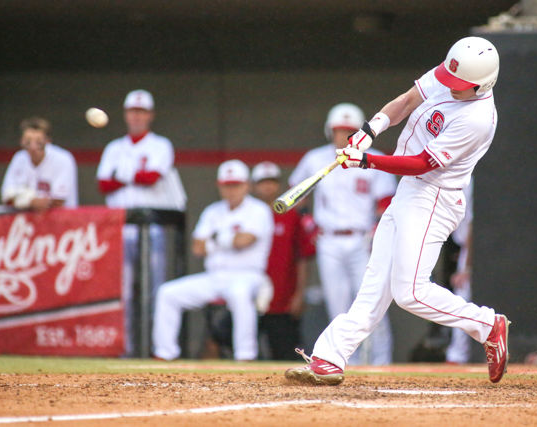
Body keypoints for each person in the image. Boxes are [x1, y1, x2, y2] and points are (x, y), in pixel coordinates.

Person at [285, 36, 510, 385]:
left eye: (459, 86)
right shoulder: (454, 71)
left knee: (411, 293)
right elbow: (407, 101)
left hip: (435, 197)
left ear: (483, 84)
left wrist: (367, 160)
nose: (449, 87)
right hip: (410, 193)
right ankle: (330, 357)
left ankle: (486, 324)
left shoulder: (477, 118)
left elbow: (422, 163)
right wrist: (369, 130)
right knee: (374, 287)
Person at [289, 103, 398, 365]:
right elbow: (297, 192)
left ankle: (381, 363)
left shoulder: (372, 157)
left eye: (350, 131)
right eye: (339, 130)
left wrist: (377, 229)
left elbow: (387, 201)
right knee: (337, 308)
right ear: (330, 131)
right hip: (328, 239)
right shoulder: (315, 159)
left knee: (371, 306)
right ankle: (349, 362)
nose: (344, 136)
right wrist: (307, 221)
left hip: (363, 240)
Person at [96, 89, 187, 356]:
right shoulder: (115, 147)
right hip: (120, 228)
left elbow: (153, 178)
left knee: (154, 291)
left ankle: (157, 349)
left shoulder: (161, 145)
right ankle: (124, 350)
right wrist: (135, 174)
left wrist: (123, 174)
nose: (136, 116)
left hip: (153, 228)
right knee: (122, 292)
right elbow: (103, 183)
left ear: (150, 115)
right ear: (126, 114)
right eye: (132, 111)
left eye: (141, 111)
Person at [153, 160, 273, 361]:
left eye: (236, 185)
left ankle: (245, 356)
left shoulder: (259, 210)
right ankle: (165, 353)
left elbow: (244, 240)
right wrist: (228, 239)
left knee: (239, 294)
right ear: (219, 186)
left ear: (246, 185)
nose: (231, 190)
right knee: (168, 293)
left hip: (248, 275)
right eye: (227, 185)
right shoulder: (213, 211)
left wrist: (216, 238)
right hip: (215, 276)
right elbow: (197, 248)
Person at [251, 161, 316, 360]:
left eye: (272, 181)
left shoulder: (292, 217)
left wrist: (299, 293)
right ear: (254, 186)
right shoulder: (246, 214)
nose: (267, 186)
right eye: (262, 181)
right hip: (249, 295)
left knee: (283, 354)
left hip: (283, 298)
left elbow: (302, 258)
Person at [1, 117, 78, 210]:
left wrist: (21, 198)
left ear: (47, 141)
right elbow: (6, 197)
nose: (33, 147)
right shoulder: (19, 158)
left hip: (61, 221)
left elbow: (58, 201)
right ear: (21, 141)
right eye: (28, 141)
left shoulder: (63, 158)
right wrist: (31, 201)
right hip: (27, 222)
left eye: (38, 141)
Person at [445, 177, 474, 364]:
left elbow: (474, 225)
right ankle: (457, 354)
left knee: (463, 296)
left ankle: (458, 355)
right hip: (464, 248)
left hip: (475, 250)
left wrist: (468, 266)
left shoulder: (470, 180)